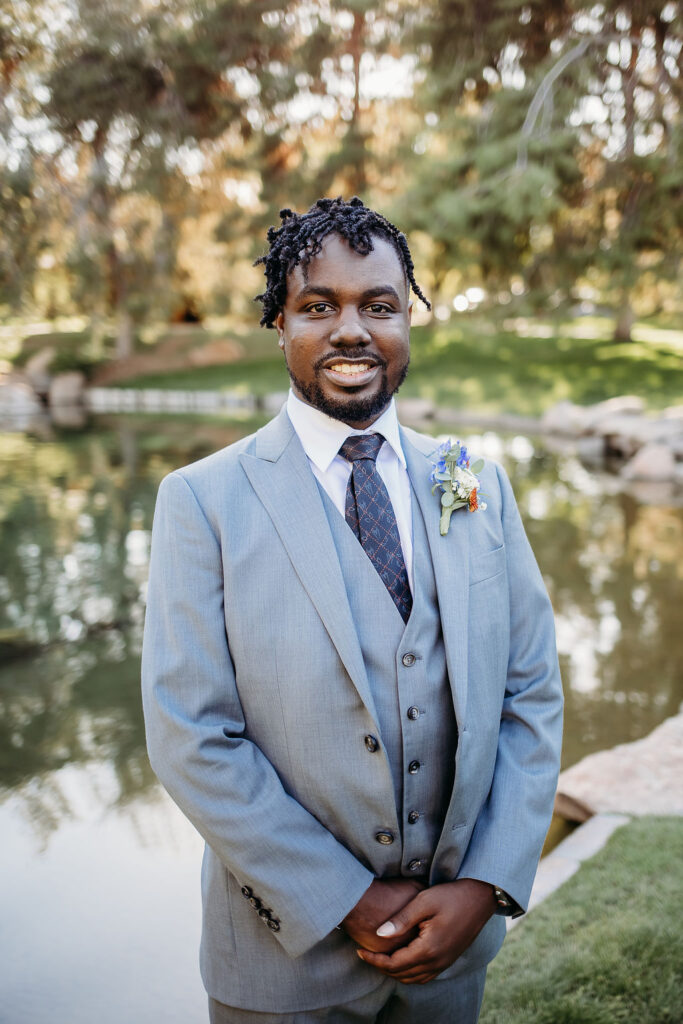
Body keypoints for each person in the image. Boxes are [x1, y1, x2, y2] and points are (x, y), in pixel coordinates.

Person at [141, 196, 563, 1023]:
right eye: (316, 306)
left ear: (409, 321)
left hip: (451, 952)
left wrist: (483, 884)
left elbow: (530, 697)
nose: (351, 330)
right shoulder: (202, 500)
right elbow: (190, 732)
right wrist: (343, 898)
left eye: (379, 305)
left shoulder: (477, 485)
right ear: (280, 325)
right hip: (283, 967)